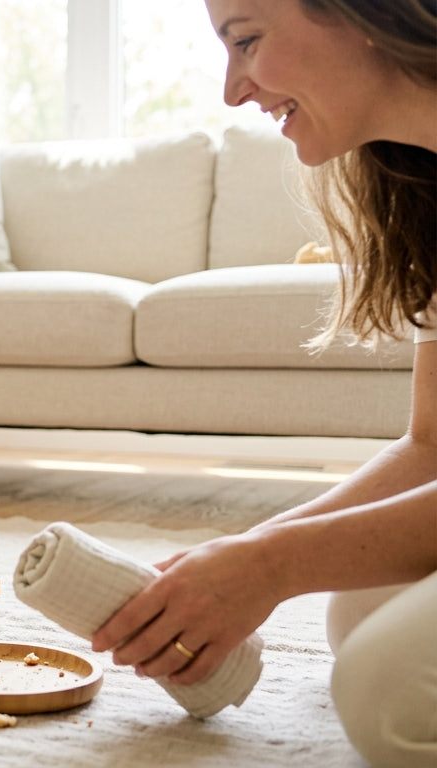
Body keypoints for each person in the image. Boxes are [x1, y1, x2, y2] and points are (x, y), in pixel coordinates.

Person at [91, 2, 436, 765]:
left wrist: (272, 567)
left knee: (392, 692)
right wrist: (251, 552)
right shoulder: (426, 190)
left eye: (246, 39)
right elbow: (432, 442)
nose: (232, 90)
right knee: (360, 615)